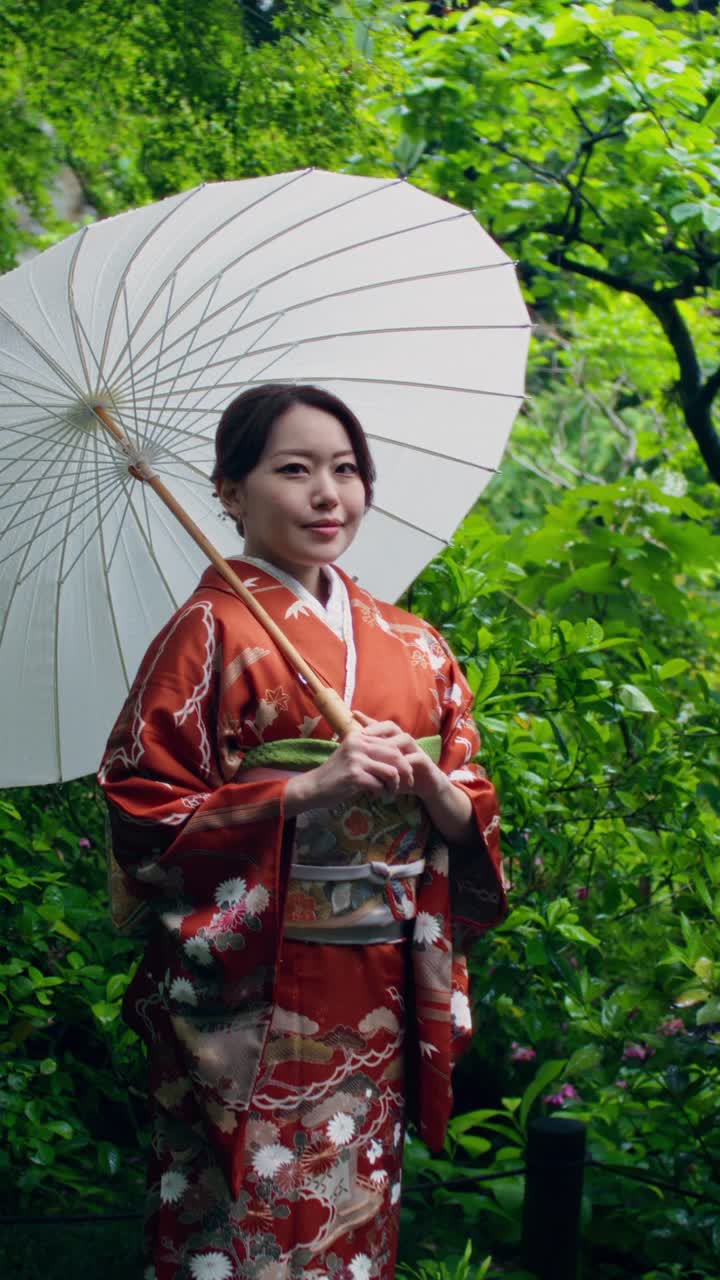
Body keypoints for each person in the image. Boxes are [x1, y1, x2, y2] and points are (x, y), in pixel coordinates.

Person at [99, 383, 506, 1280]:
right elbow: (142, 811)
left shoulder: (415, 644)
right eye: (295, 470)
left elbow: (472, 787)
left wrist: (439, 789)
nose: (329, 494)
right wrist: (304, 790)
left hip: (377, 988)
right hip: (257, 991)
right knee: (238, 1228)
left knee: (351, 1223)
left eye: (346, 470)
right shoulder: (205, 633)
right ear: (231, 492)